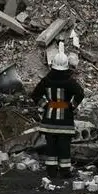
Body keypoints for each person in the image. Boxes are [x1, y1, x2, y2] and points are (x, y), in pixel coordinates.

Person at [30, 44, 84, 178]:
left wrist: (45, 105)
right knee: (64, 147)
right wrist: (72, 106)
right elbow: (80, 94)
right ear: (66, 66)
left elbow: (35, 95)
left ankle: (51, 172)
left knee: (51, 147)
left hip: (49, 120)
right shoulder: (69, 81)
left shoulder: (46, 80)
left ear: (52, 65)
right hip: (65, 120)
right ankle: (65, 172)